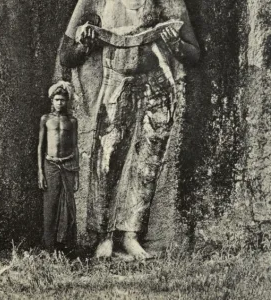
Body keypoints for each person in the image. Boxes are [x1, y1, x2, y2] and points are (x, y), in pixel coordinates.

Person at [60, 0, 199, 259]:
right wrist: (86, 41)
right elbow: (66, 55)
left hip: (157, 83)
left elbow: (193, 53)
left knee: (148, 162)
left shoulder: (168, 2)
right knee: (107, 161)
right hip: (116, 80)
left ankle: (131, 234)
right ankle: (103, 236)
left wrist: (175, 44)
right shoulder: (95, 2)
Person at [37, 81, 79, 252]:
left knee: (69, 207)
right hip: (51, 165)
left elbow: (75, 147)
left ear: (67, 101)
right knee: (50, 205)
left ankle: (67, 248)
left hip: (68, 165)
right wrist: (40, 172)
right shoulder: (45, 119)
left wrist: (76, 175)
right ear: (52, 101)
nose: (60, 103)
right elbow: (40, 146)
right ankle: (49, 248)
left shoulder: (72, 121)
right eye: (57, 100)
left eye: (62, 100)